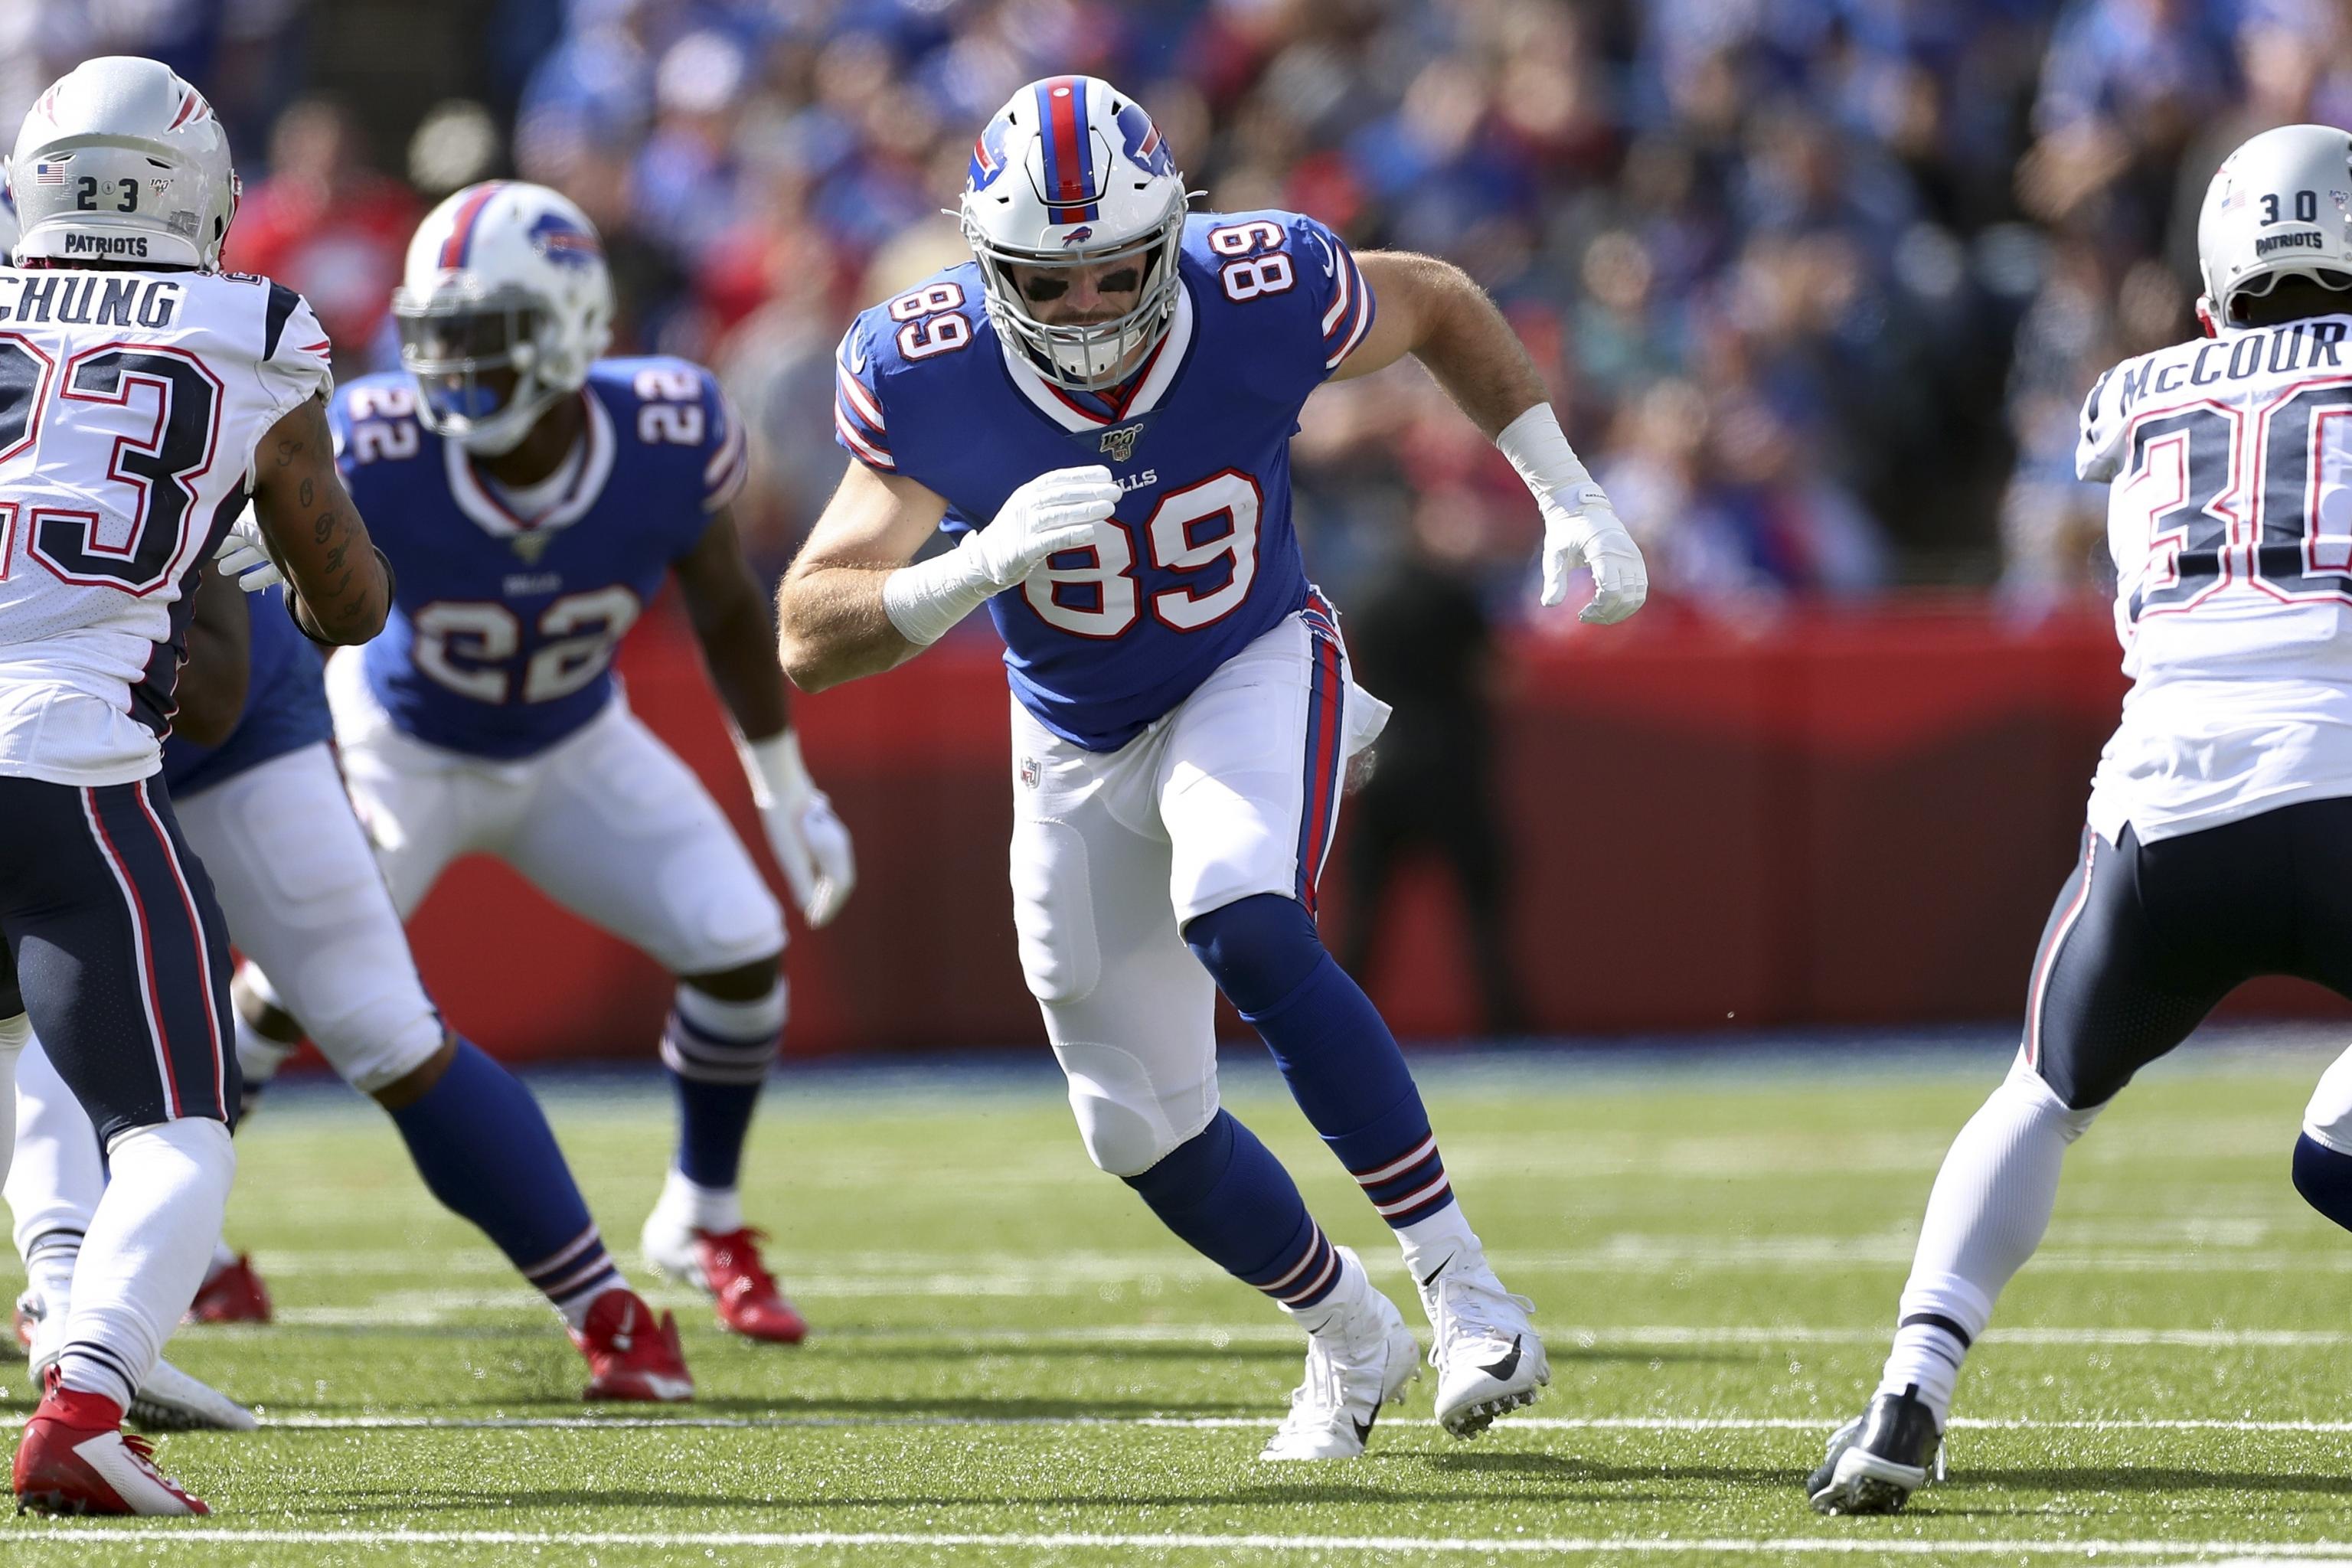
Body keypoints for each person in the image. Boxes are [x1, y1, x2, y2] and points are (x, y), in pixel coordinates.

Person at [777, 75, 1646, 1460]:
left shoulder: (1260, 278)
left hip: (1250, 658)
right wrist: (971, 568)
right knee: (1133, 1126)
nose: (1081, 310)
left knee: (1240, 909)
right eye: (1042, 283)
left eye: (1113, 270)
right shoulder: (919, 359)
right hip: (1066, 735)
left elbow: (1431, 299)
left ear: (1168, 233)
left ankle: (1465, 1285)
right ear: (988, 265)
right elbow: (809, 632)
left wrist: (1567, 491)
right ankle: (1348, 1333)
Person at [1811, 122, 2352, 1515]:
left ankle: (1906, 1394)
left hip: (2168, 816)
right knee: (2331, 1145)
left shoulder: (2130, 396)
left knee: (2041, 1094)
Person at [237, 179, 855, 1343]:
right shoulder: (374, 442)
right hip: (403, 743)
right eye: (438, 341)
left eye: (487, 342)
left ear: (573, 328)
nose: (454, 374)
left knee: (739, 947)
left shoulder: (669, 431)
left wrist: (785, 787)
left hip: (574, 737)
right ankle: (190, 1230)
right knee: (285, 987)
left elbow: (728, 607)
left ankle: (700, 1216)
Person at [11, 560, 697, 1406]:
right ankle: (69, 1301)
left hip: (208, 742)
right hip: (53, 738)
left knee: (380, 1023)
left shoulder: (204, 426)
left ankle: (605, 1308)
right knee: (32, 1021)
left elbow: (229, 679)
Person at [0, 57, 390, 1515]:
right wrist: (232, 542)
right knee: (177, 1124)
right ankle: (90, 1390)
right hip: (63, 763)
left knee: (21, 1044)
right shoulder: (257, 325)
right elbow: (347, 603)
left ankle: (59, 1309)